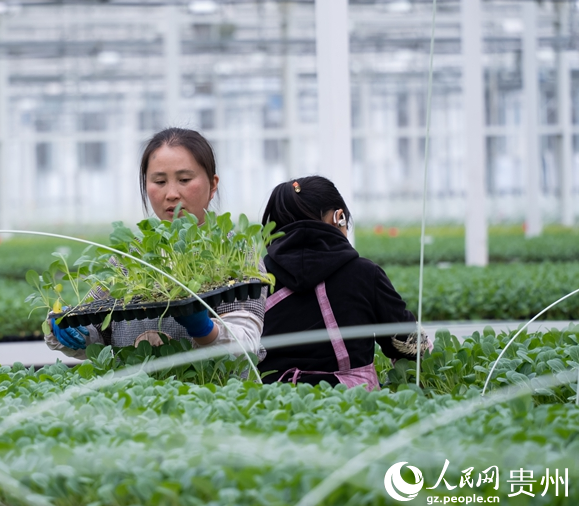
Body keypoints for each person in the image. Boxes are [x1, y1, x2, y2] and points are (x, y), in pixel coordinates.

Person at [45, 128, 265, 359]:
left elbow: (246, 343)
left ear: (212, 184)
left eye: (185, 180)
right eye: (159, 181)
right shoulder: (129, 256)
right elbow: (95, 333)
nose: (171, 193)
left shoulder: (236, 253)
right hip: (134, 394)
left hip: (214, 393)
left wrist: (206, 330)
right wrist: (69, 326)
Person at [258, 175, 428, 389]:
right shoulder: (364, 273)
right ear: (339, 217)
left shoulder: (259, 278)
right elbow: (409, 346)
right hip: (352, 404)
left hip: (272, 404)